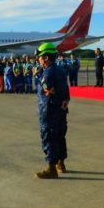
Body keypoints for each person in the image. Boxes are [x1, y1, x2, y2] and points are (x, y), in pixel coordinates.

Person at [34, 42, 70, 179]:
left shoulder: (48, 72)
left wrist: (37, 77)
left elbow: (46, 89)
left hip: (49, 110)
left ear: (46, 57)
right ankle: (61, 163)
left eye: (40, 57)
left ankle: (51, 168)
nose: (39, 59)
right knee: (60, 136)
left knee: (49, 137)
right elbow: (65, 90)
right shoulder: (60, 70)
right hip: (61, 109)